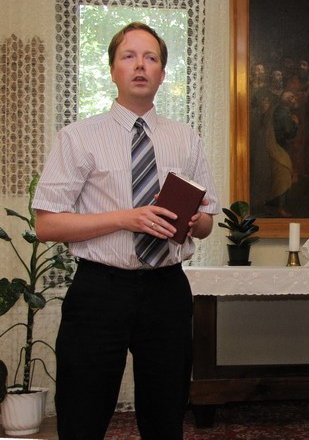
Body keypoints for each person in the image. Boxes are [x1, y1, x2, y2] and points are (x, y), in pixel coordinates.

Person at [32, 22, 219, 439]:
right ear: (113, 69)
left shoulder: (185, 138)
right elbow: (46, 224)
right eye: (129, 56)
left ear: (162, 74)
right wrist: (125, 218)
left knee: (166, 415)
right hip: (100, 291)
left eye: (151, 58)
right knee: (82, 414)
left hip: (167, 291)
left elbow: (207, 221)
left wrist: (196, 222)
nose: (140, 65)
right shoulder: (78, 138)